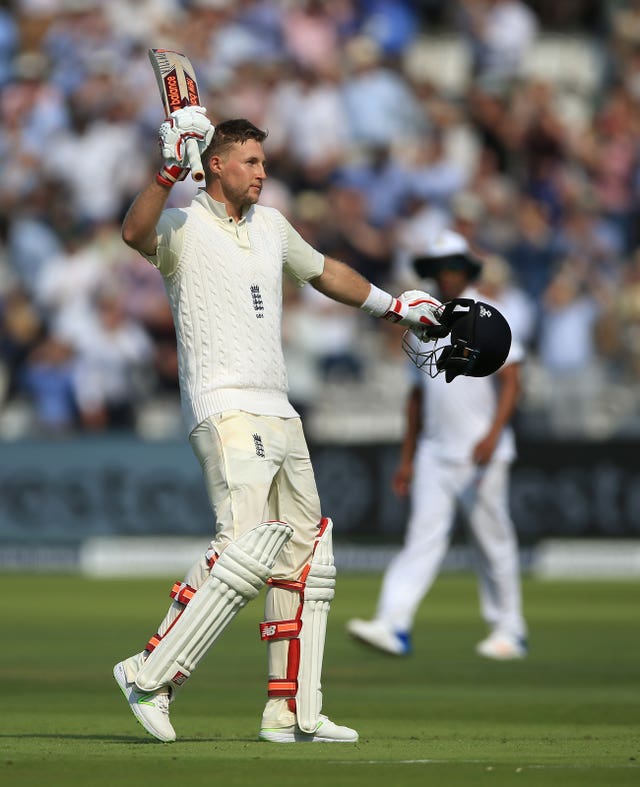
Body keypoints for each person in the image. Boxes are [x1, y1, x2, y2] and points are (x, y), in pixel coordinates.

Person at [113, 105, 445, 744]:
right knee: (242, 543)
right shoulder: (182, 225)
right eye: (252, 162)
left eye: (265, 162)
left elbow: (326, 273)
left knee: (306, 554)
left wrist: (392, 306)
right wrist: (163, 173)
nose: (263, 173)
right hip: (224, 402)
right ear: (215, 164)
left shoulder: (272, 226)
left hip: (279, 406)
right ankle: (149, 674)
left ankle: (292, 711)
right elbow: (133, 235)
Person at [347, 229, 528, 660]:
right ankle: (393, 624)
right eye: (439, 270)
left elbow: (513, 380)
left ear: (466, 271)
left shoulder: (492, 316)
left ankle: (510, 629)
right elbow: (416, 397)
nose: (446, 277)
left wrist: (492, 434)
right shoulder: (423, 322)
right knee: (422, 538)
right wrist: (407, 458)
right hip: (434, 451)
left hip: (482, 452)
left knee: (492, 539)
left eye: (453, 269)